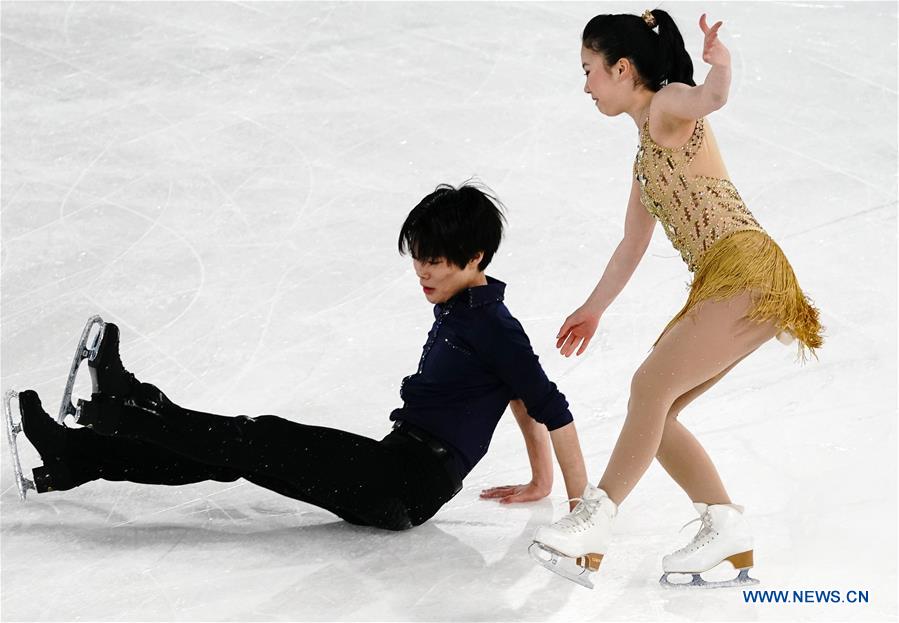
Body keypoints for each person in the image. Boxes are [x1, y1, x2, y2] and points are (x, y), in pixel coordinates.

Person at [7, 183, 588, 531]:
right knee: (239, 452)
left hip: (403, 487)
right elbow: (517, 394)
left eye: (435, 261)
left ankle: (119, 408)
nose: (422, 272)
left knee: (254, 440)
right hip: (395, 469)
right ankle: (75, 456)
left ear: (475, 255)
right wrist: (537, 478)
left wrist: (580, 508)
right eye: (418, 258)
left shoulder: (491, 324)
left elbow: (550, 407)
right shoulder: (466, 307)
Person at [529, 10, 823, 588]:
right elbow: (630, 247)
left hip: (746, 269)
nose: (585, 84)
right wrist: (593, 308)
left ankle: (595, 518)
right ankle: (722, 524)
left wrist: (723, 68)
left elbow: (709, 99)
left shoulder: (665, 107)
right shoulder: (644, 160)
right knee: (655, 414)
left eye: (589, 70)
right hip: (726, 281)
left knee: (647, 388)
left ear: (622, 68)